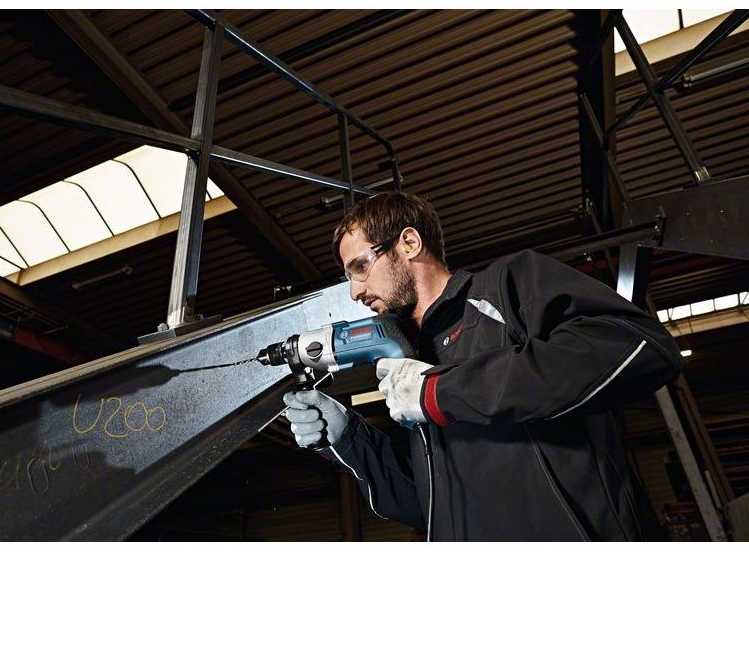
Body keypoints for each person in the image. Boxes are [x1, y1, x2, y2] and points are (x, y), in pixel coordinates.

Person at [283, 192, 684, 541]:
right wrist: (348, 437)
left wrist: (441, 392)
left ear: (408, 243)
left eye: (359, 267)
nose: (354, 292)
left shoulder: (508, 288)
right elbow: (428, 506)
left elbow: (640, 345)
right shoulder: (410, 364)